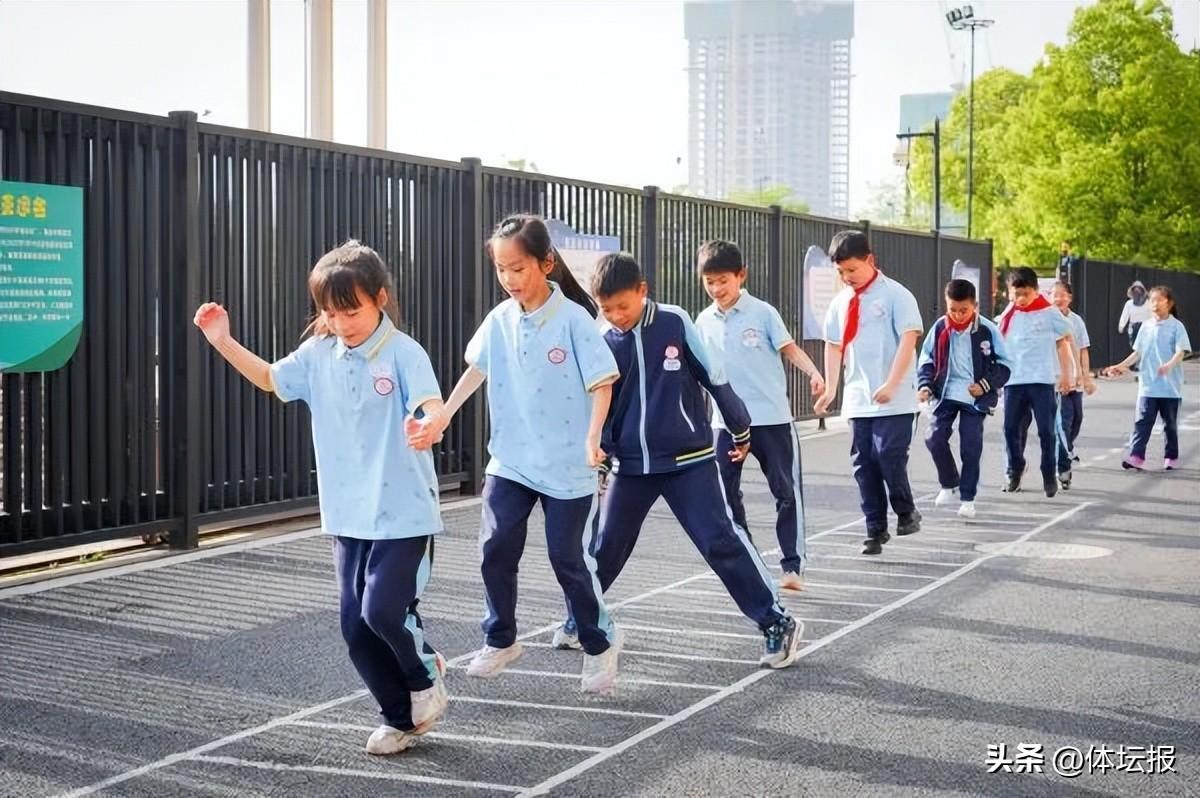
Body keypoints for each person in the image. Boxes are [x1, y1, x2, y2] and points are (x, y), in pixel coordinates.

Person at [194, 241, 448, 756]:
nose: (340, 323)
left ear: (380, 299)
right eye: (330, 312)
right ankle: (398, 718)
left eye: (351, 311)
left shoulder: (404, 352)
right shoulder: (316, 354)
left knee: (383, 612)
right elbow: (270, 379)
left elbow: (430, 404)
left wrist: (428, 424)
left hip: (404, 512)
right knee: (355, 627)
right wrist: (222, 341)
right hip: (347, 514)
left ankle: (425, 674)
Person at [552, 252, 803, 668]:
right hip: (632, 466)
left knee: (720, 541)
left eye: (623, 306)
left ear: (643, 291)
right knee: (605, 547)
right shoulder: (603, 337)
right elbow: (604, 406)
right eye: (606, 308)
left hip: (690, 460)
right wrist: (602, 457)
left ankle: (777, 621)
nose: (616, 316)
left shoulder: (674, 321)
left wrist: (740, 427)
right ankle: (584, 618)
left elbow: (714, 376)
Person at [411, 214, 623, 694]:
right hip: (511, 460)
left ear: (546, 264)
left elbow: (602, 382)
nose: (509, 278)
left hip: (568, 466)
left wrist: (593, 437)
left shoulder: (573, 320)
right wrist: (442, 416)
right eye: (501, 269)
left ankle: (600, 642)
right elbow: (476, 369)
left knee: (568, 560)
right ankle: (501, 638)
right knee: (495, 547)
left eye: (518, 268)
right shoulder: (499, 320)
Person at [693, 239, 825, 591]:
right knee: (724, 496)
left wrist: (813, 372)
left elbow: (790, 349)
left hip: (772, 420)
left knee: (785, 492)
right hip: (725, 424)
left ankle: (792, 565)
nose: (716, 289)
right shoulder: (702, 321)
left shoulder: (763, 313)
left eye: (723, 280)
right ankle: (748, 557)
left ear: (741, 276)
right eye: (709, 282)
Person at [814, 231, 924, 556]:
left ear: (870, 260)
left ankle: (905, 510)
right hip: (859, 399)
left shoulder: (896, 295)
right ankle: (875, 528)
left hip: (896, 399)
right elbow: (834, 345)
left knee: (888, 455)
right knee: (864, 464)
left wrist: (891, 383)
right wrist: (831, 388)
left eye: (852, 269)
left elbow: (908, 340)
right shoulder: (840, 302)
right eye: (841, 272)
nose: (847, 277)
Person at [916, 279, 1012, 519]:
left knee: (971, 446)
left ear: (975, 306)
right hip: (945, 394)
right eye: (953, 310)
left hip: (975, 399)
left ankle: (968, 499)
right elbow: (927, 359)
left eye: (964, 310)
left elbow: (1005, 365)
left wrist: (985, 385)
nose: (958, 315)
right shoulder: (940, 328)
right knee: (934, 438)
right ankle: (949, 483)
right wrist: (925, 386)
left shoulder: (987, 330)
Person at [995, 267, 1074, 496]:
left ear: (1036, 291)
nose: (1021, 299)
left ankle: (1048, 473)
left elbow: (1066, 333)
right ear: (1009, 292)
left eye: (1026, 294)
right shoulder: (1008, 315)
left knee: (1046, 431)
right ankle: (1016, 467)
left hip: (1041, 380)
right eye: (1016, 294)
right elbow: (998, 342)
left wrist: (1067, 374)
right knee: (1010, 429)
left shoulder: (1048, 312)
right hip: (1014, 381)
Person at [1103, 286, 1191, 471]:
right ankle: (1136, 457)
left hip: (1169, 388)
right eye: (1152, 300)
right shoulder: (1146, 326)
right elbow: (1138, 353)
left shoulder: (1177, 326)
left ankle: (1171, 457)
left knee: (1169, 425)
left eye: (1160, 300)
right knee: (1142, 422)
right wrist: (1120, 366)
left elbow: (1181, 352)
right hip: (1148, 385)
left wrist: (1169, 365)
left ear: (1169, 303)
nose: (1155, 304)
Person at [1050, 280, 1096, 489]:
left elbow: (1083, 349)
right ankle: (1063, 468)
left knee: (1077, 419)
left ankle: (1065, 448)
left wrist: (1085, 376)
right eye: (1054, 294)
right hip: (1057, 381)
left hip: (1076, 380)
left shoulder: (1076, 321)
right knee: (1064, 423)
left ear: (1070, 297)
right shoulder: (1048, 320)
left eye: (1062, 294)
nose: (1058, 298)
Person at [1118, 280, 1152, 362]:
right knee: (1134, 347)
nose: (1137, 291)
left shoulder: (1148, 303)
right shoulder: (1129, 304)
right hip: (1133, 328)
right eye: (1135, 289)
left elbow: (1152, 315)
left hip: (1145, 328)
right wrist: (1121, 326)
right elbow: (1124, 316)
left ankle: (1142, 363)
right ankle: (1136, 363)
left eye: (1139, 289)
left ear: (1143, 291)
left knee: (1145, 346)